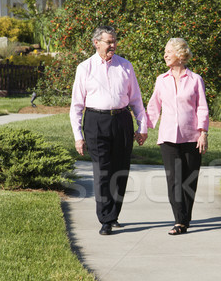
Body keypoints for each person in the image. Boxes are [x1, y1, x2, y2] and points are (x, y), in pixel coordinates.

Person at [70, 25, 147, 235]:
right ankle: (105, 219)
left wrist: (143, 126)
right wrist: (78, 136)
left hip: (122, 120)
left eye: (114, 41)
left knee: (120, 170)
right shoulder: (84, 68)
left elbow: (136, 100)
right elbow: (76, 105)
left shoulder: (125, 66)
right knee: (103, 171)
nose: (113, 45)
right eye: (108, 42)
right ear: (96, 43)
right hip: (95, 121)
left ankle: (114, 215)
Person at [146, 37, 209, 235]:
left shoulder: (195, 79)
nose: (164, 55)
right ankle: (179, 221)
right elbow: (153, 106)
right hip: (167, 137)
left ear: (180, 55)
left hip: (191, 136)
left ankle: (184, 218)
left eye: (168, 51)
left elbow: (202, 107)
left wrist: (203, 133)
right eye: (165, 51)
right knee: (174, 180)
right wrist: (144, 129)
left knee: (189, 180)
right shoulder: (161, 80)